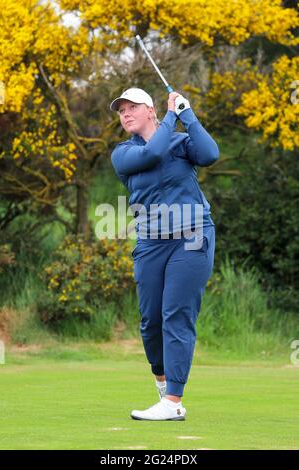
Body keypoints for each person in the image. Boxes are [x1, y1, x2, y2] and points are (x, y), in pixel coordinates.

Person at [110, 88, 219, 421]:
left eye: (132, 107)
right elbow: (153, 154)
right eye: (121, 110)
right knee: (151, 322)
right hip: (151, 242)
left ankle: (172, 401)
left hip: (192, 236)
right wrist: (172, 117)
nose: (125, 113)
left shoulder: (180, 141)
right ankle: (163, 388)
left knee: (175, 315)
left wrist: (188, 115)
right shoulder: (123, 152)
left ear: (150, 110)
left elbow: (210, 153)